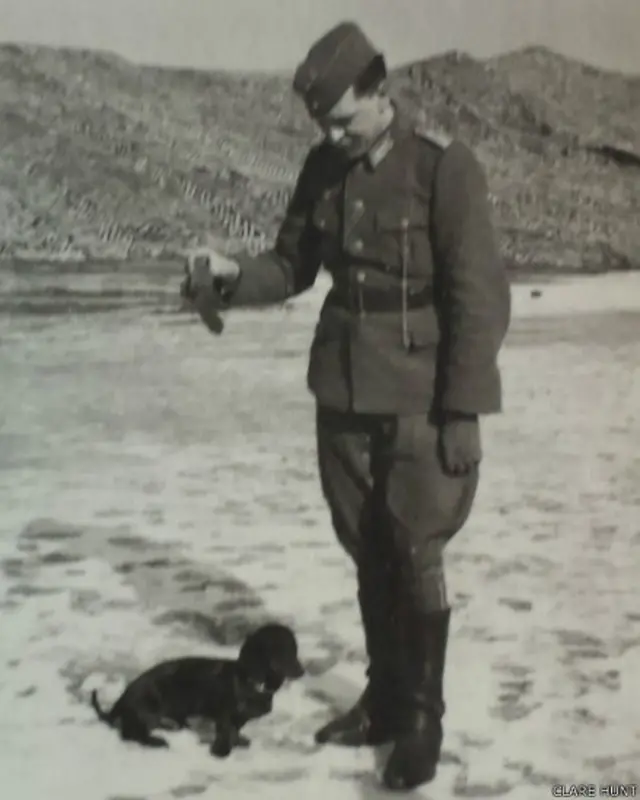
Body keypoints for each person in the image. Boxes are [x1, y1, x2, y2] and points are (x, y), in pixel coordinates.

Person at [181, 20, 511, 792]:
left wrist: (463, 408)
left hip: (423, 400)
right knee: (368, 551)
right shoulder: (322, 170)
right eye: (320, 123)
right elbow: (293, 265)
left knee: (417, 548)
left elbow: (480, 300)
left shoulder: (444, 171)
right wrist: (232, 274)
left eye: (342, 117)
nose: (331, 133)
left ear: (380, 90)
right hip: (343, 394)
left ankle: (423, 720)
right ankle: (384, 700)